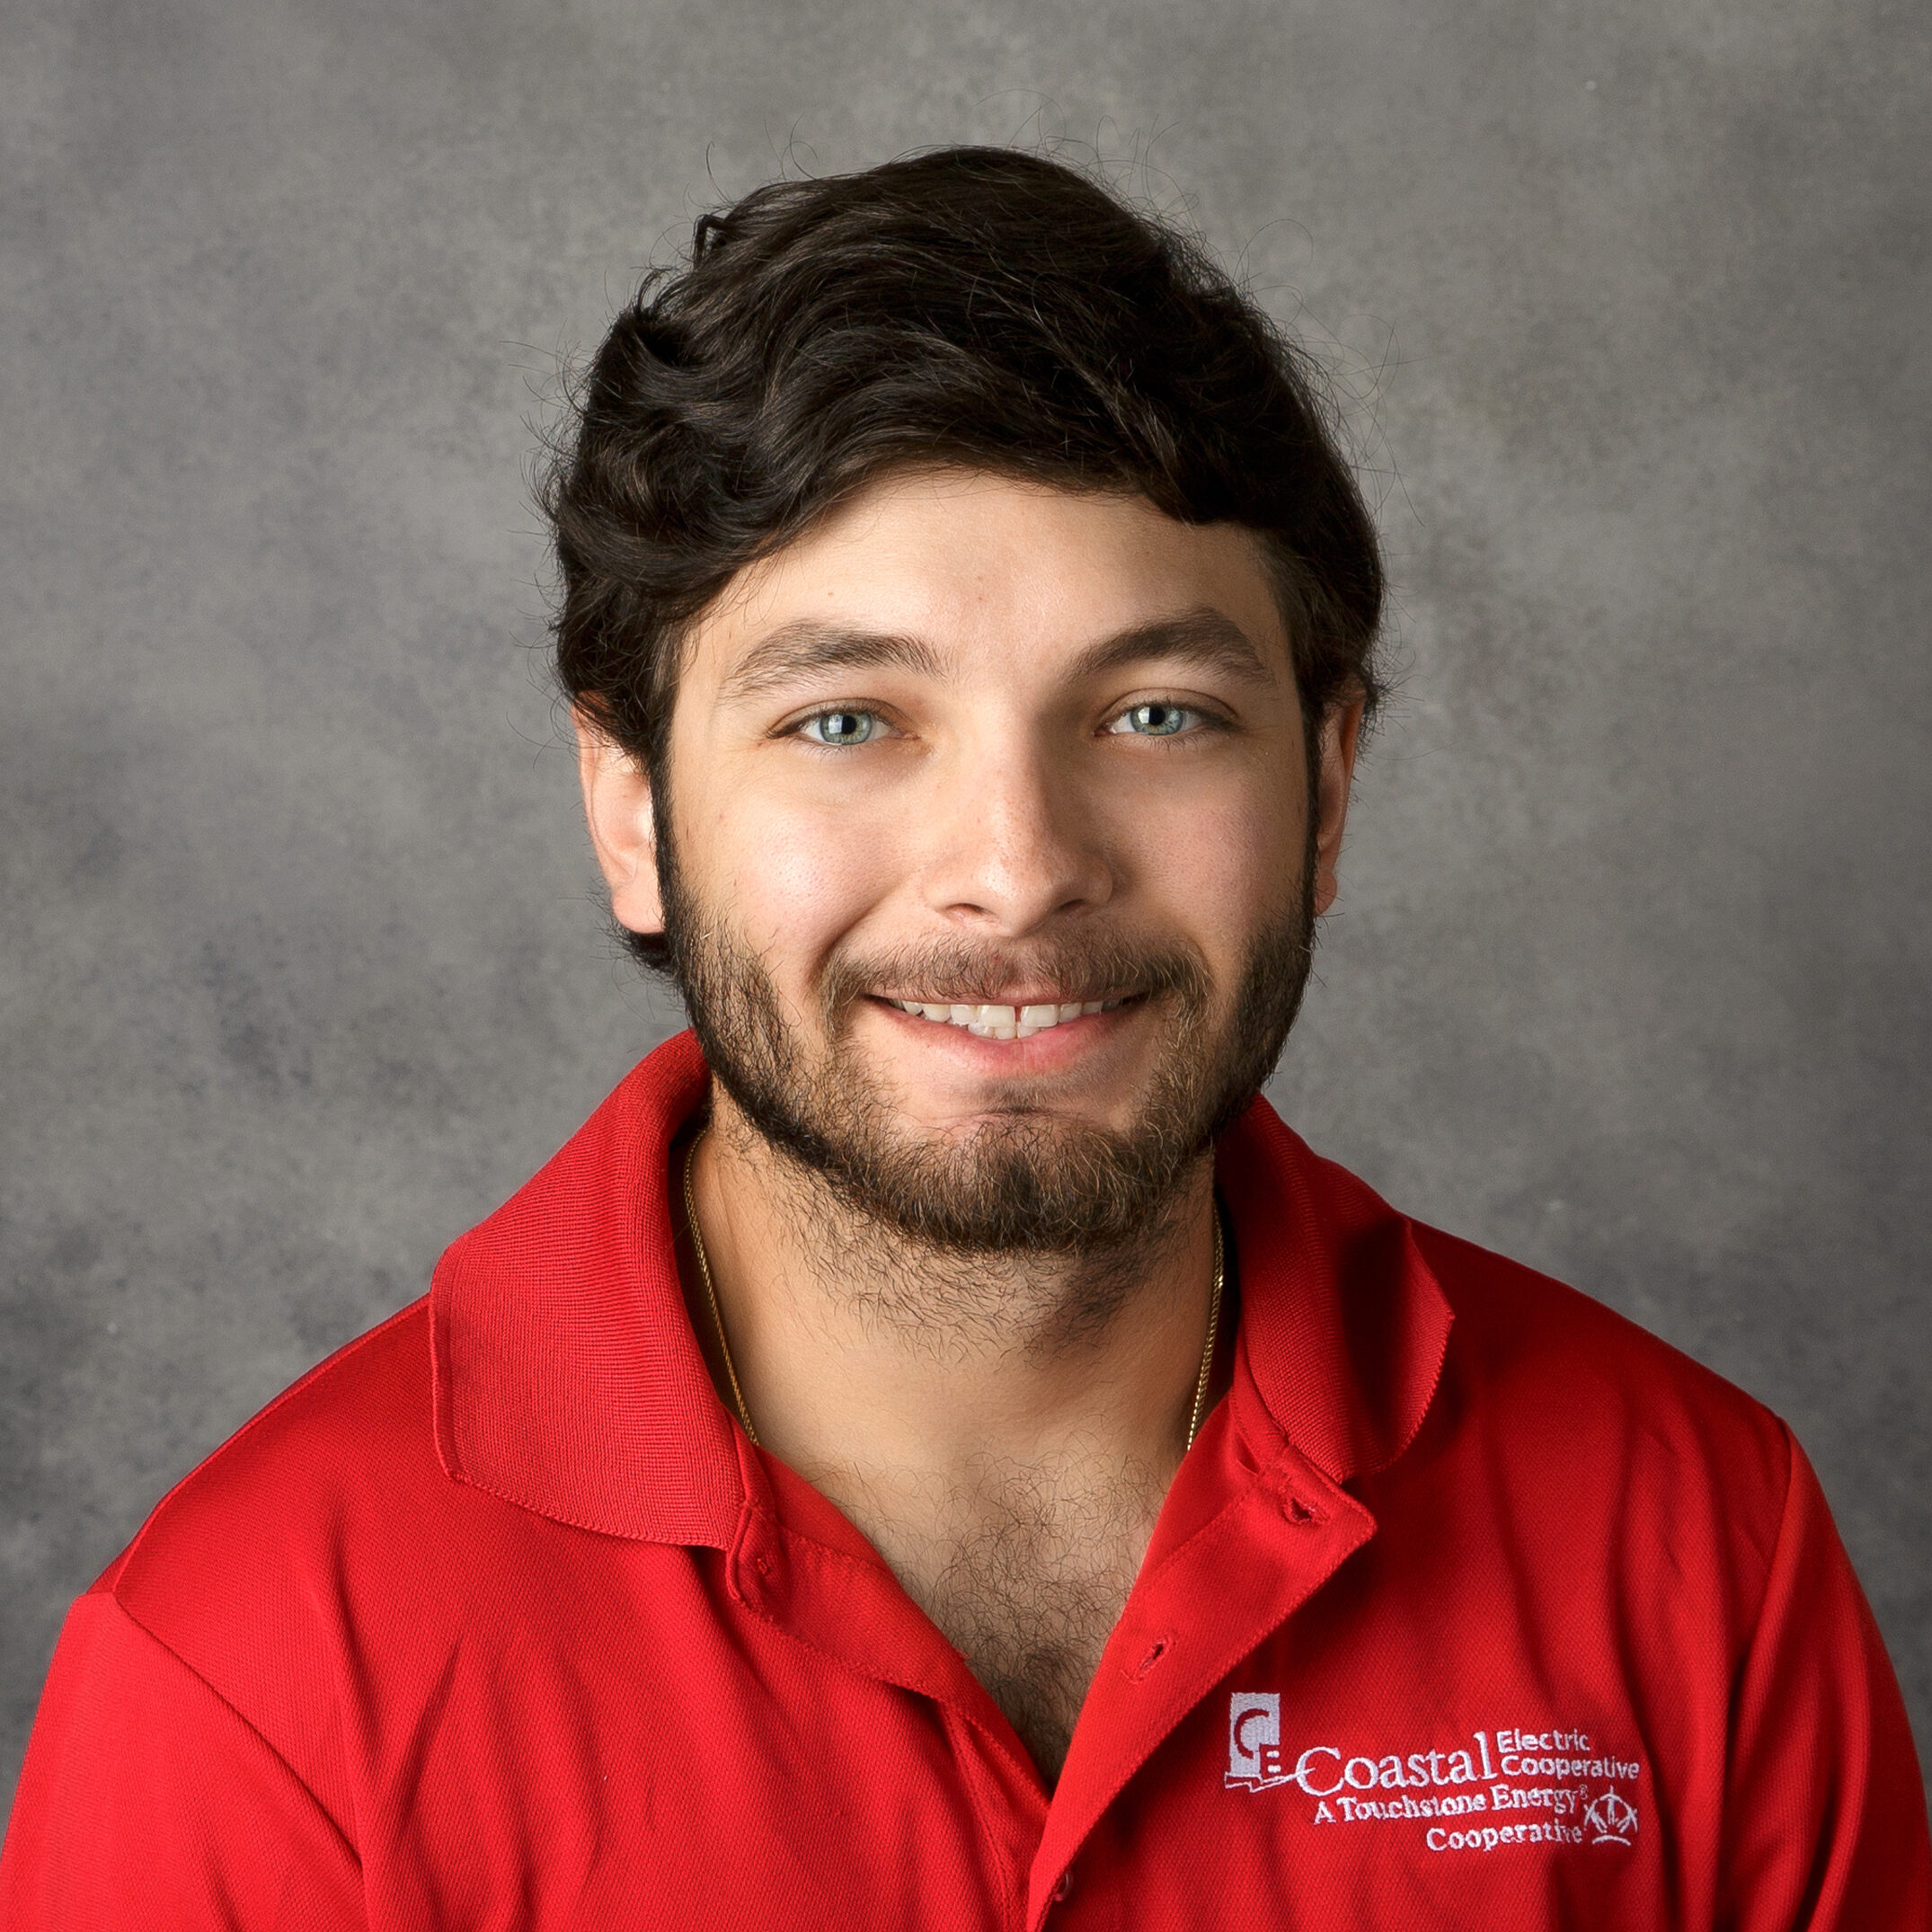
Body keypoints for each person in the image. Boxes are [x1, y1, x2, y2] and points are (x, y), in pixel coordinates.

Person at [2, 146, 1925, 1929]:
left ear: (1326, 784)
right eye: (847, 720)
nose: (1015, 872)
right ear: (629, 807)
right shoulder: (251, 1673)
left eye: (1156, 713)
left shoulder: (1695, 1548)